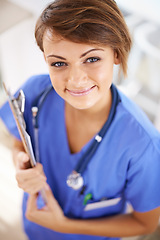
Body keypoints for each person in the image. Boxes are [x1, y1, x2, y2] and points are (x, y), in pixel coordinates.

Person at [0, 0, 160, 239]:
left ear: (116, 53)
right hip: (35, 226)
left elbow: (145, 224)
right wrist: (21, 161)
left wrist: (64, 226)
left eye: (92, 59)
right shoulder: (34, 92)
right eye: (59, 63)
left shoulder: (143, 146)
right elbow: (18, 139)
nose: (75, 80)